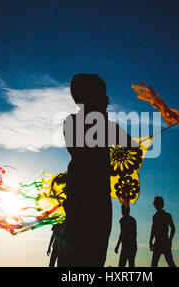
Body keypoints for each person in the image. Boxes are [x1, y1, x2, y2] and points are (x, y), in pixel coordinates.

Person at [59, 73, 135, 266]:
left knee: (94, 254)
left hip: (96, 199)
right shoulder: (74, 122)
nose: (107, 99)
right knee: (82, 254)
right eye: (102, 95)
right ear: (87, 98)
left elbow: (129, 144)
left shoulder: (97, 125)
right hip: (86, 200)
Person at [149, 196, 176, 267]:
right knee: (156, 264)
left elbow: (173, 228)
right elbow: (153, 230)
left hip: (163, 242)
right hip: (160, 242)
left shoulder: (166, 216)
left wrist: (170, 239)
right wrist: (150, 241)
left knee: (170, 262)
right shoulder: (156, 216)